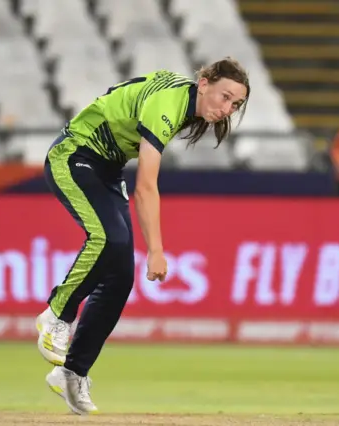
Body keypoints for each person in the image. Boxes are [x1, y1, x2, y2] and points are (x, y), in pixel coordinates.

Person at [34, 57, 250, 415]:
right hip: (73, 155)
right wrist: (156, 251)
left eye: (235, 105)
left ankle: (71, 373)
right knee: (108, 240)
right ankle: (56, 315)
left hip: (106, 168)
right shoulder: (169, 105)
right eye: (224, 97)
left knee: (119, 278)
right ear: (204, 82)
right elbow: (146, 188)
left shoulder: (185, 102)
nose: (226, 109)